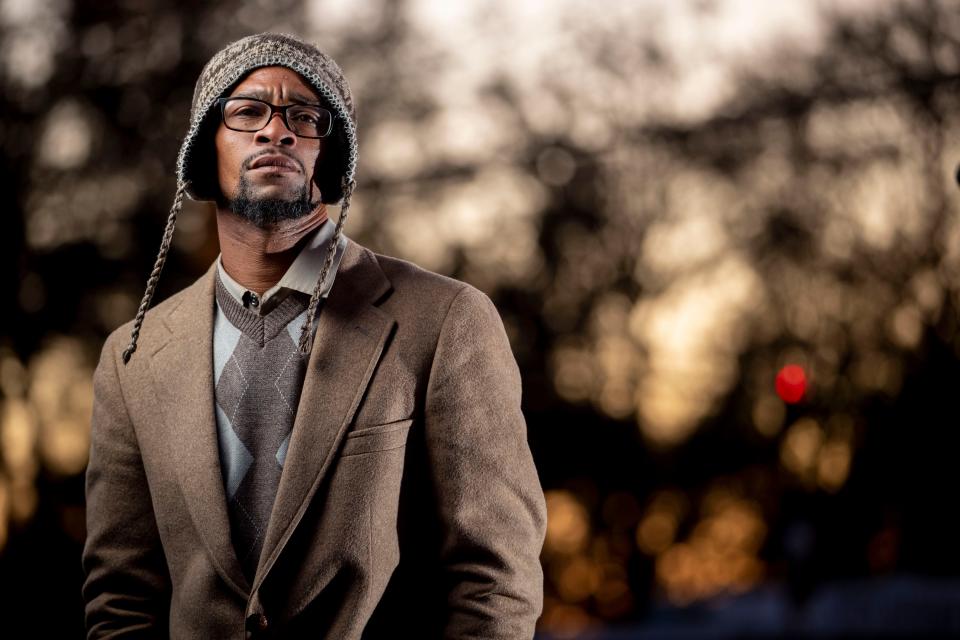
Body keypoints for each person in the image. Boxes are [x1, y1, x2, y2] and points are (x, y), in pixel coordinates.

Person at [81, 32, 546, 639]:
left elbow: (494, 579)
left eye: (305, 117)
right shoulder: (132, 356)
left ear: (334, 157)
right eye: (247, 111)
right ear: (204, 150)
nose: (277, 131)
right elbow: (120, 596)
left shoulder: (445, 321)